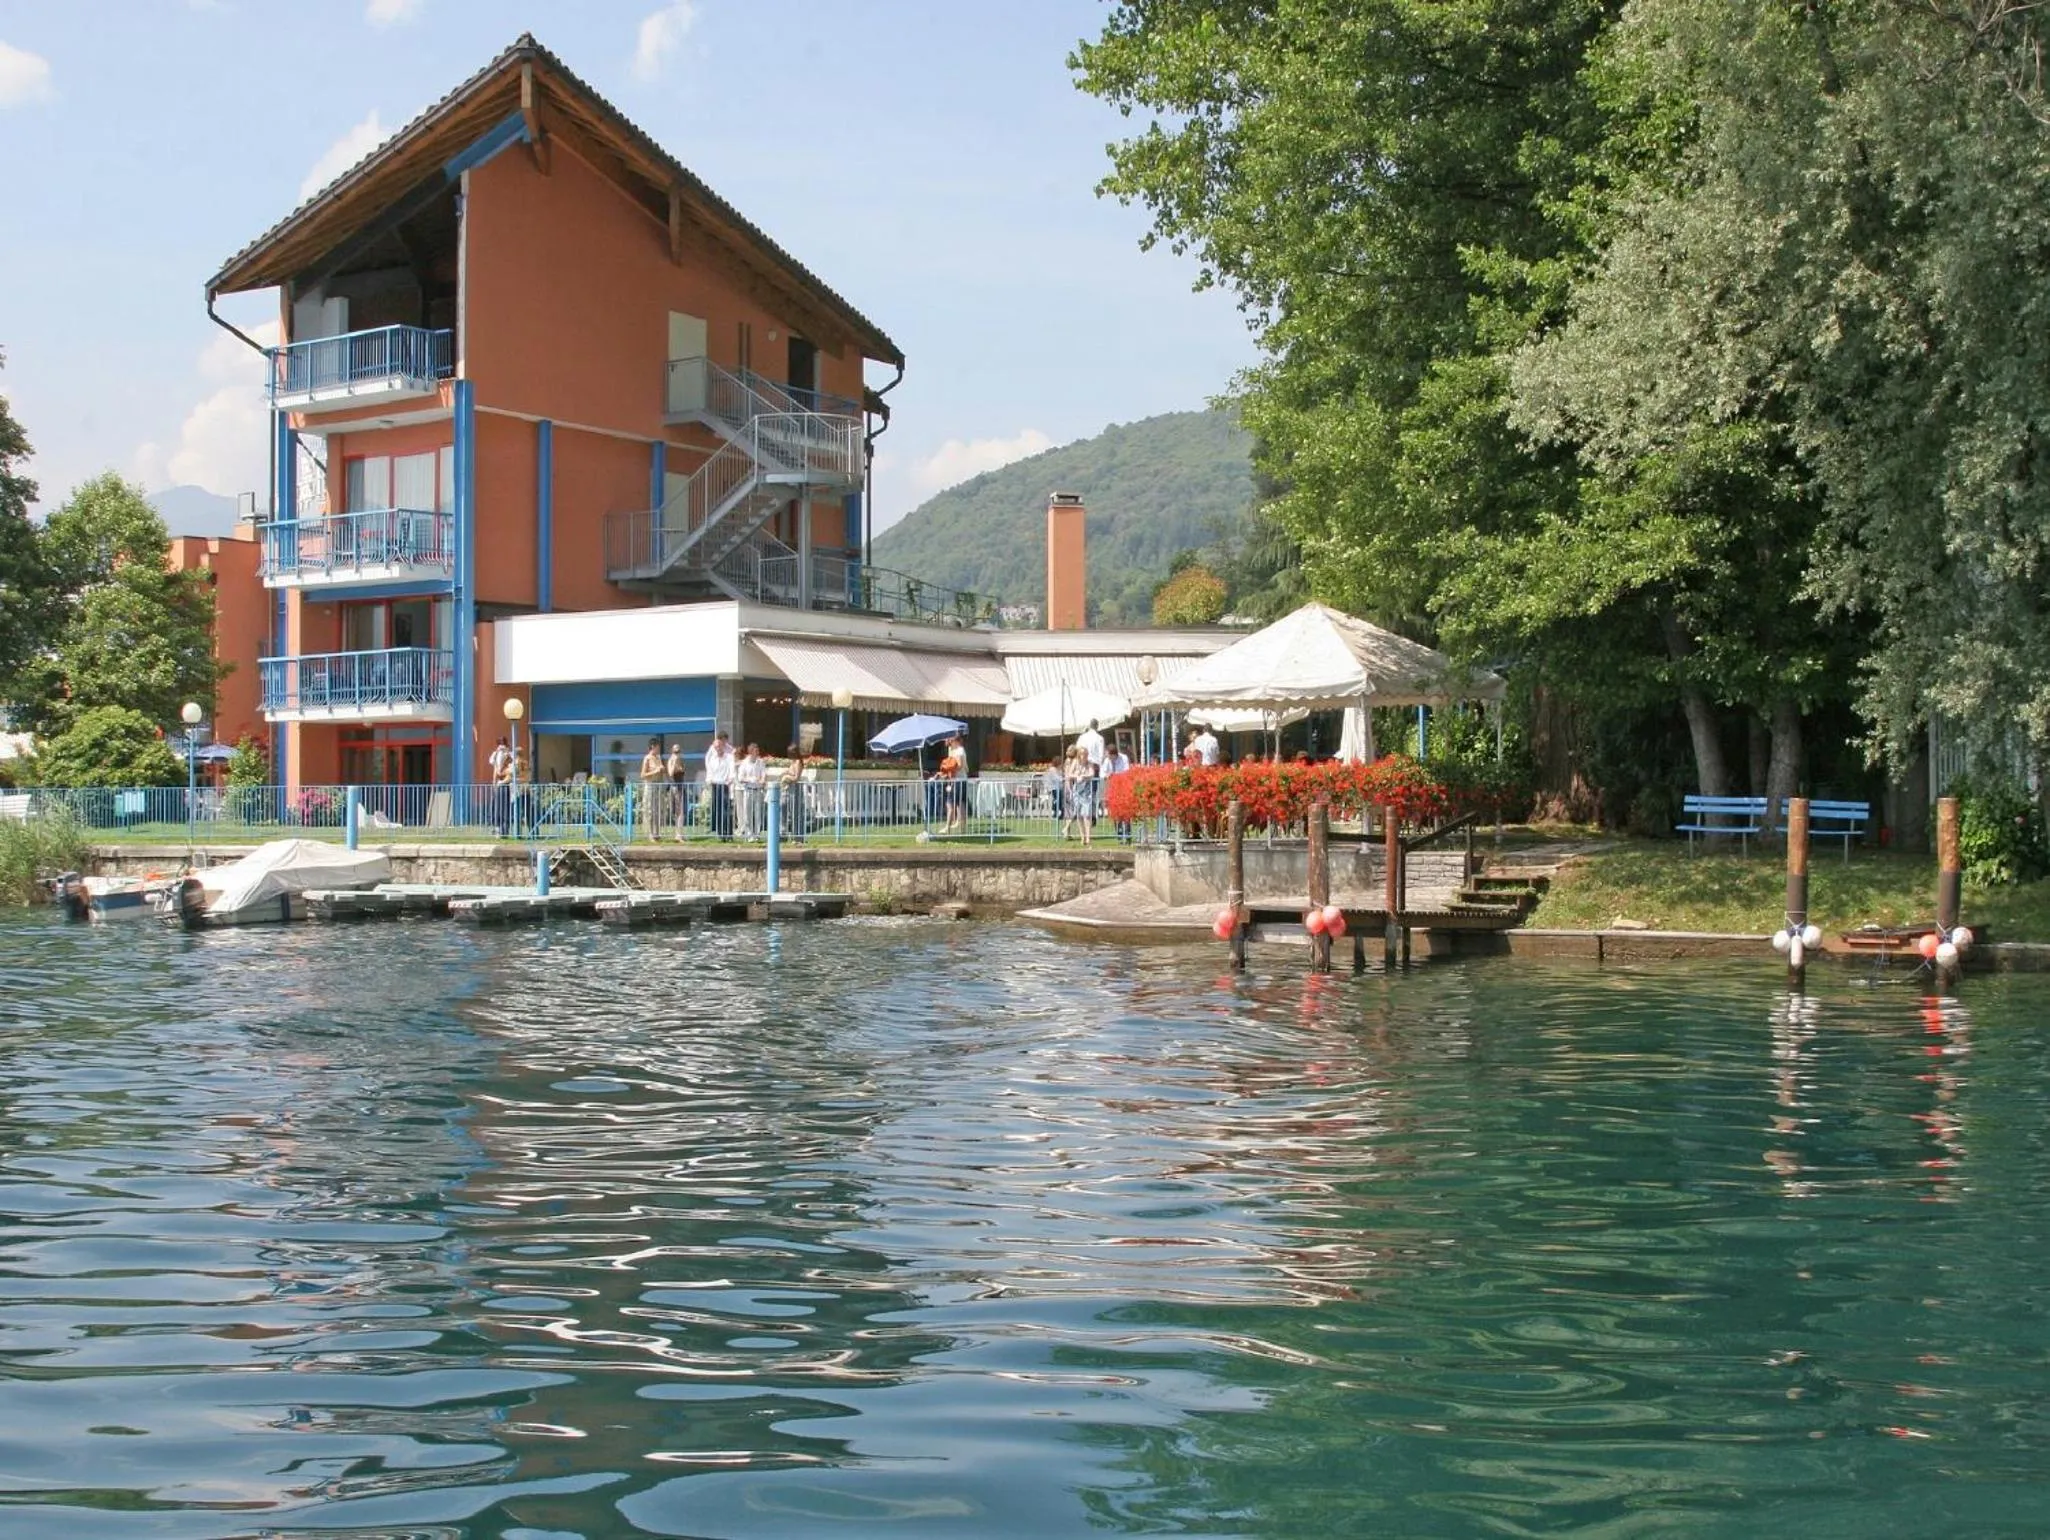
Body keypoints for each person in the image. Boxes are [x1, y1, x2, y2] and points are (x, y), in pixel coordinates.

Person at [704, 730, 737, 839]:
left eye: (720, 746)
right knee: (717, 809)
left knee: (726, 810)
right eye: (716, 747)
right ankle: (720, 833)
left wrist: (730, 779)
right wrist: (709, 780)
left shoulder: (729, 756)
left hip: (725, 785)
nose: (718, 748)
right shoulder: (712, 758)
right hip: (715, 785)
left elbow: (732, 770)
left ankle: (728, 833)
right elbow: (710, 770)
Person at [934, 734, 969, 834]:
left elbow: (959, 765)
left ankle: (947, 828)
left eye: (950, 740)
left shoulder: (959, 750)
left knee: (950, 804)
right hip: (959, 780)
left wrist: (948, 771)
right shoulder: (955, 750)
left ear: (954, 740)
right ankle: (962, 829)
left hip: (958, 781)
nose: (948, 741)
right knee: (960, 804)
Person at [1062, 744, 1094, 844]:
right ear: (1079, 755)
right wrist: (1076, 776)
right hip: (1077, 790)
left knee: (1087, 814)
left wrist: (1084, 776)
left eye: (1085, 754)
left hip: (1087, 791)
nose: (1083, 756)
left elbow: (1092, 773)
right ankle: (1082, 837)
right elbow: (1069, 774)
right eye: (1081, 754)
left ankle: (1088, 837)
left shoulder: (1089, 763)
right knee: (1079, 814)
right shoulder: (1075, 762)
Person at [1102, 740, 1133, 842]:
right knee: (1115, 811)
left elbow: (1126, 771)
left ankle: (1128, 833)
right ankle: (1119, 833)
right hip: (1113, 788)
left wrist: (1116, 776)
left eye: (1110, 756)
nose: (1109, 758)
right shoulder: (1107, 760)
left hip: (1123, 787)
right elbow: (1102, 773)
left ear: (1114, 754)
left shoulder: (1123, 758)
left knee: (1125, 811)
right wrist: (1107, 775)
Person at [736, 742, 768, 839]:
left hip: (758, 790)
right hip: (748, 790)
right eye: (755, 751)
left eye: (757, 751)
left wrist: (762, 780)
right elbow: (740, 777)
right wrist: (750, 779)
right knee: (748, 813)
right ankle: (749, 833)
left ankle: (757, 834)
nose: (757, 752)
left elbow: (763, 775)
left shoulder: (760, 762)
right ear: (751, 752)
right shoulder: (744, 763)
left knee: (758, 812)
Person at [492, 738, 519, 838]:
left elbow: (502, 771)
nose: (501, 747)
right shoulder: (497, 754)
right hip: (500, 784)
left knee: (504, 809)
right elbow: (496, 770)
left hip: (505, 784)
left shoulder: (509, 755)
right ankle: (499, 829)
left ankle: (504, 830)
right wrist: (494, 783)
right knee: (499, 808)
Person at [640, 739, 667, 838]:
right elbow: (642, 775)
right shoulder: (647, 758)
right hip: (650, 785)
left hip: (659, 785)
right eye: (657, 747)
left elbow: (662, 771)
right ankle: (651, 833)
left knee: (658, 809)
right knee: (650, 810)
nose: (658, 749)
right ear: (652, 746)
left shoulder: (658, 758)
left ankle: (657, 833)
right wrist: (654, 771)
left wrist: (663, 770)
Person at [665, 741, 690, 840]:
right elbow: (670, 773)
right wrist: (675, 761)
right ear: (672, 752)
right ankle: (678, 834)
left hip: (681, 786)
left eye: (678, 751)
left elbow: (683, 773)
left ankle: (680, 833)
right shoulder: (671, 760)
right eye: (675, 752)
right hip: (675, 787)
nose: (677, 754)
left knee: (682, 811)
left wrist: (680, 764)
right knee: (678, 811)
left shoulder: (681, 761)